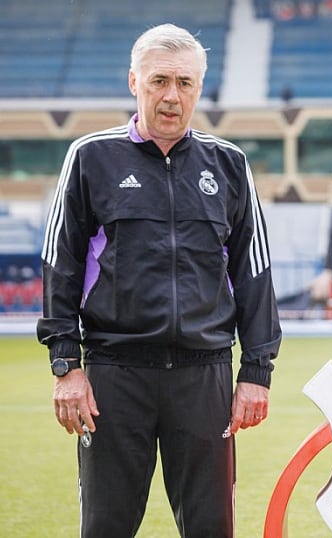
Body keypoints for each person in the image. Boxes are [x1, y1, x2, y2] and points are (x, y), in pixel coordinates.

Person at [36, 24, 282, 537]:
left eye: (186, 83)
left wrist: (257, 371)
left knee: (212, 528)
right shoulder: (90, 158)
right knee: (105, 526)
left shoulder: (230, 165)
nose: (172, 96)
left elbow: (253, 271)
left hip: (204, 377)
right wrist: (66, 365)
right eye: (159, 81)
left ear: (200, 88)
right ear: (134, 82)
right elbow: (60, 264)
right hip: (113, 376)